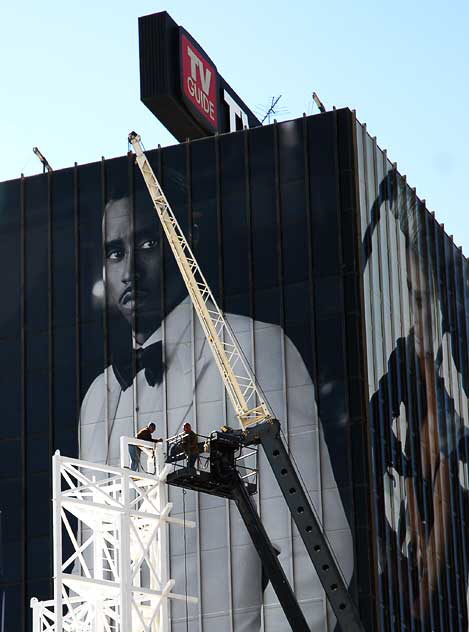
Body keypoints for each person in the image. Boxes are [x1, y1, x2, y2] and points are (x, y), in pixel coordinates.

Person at [79, 196, 353, 632]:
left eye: (148, 243)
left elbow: (318, 546)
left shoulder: (250, 350)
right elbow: (97, 572)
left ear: (185, 240)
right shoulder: (98, 398)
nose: (130, 269)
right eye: (115, 252)